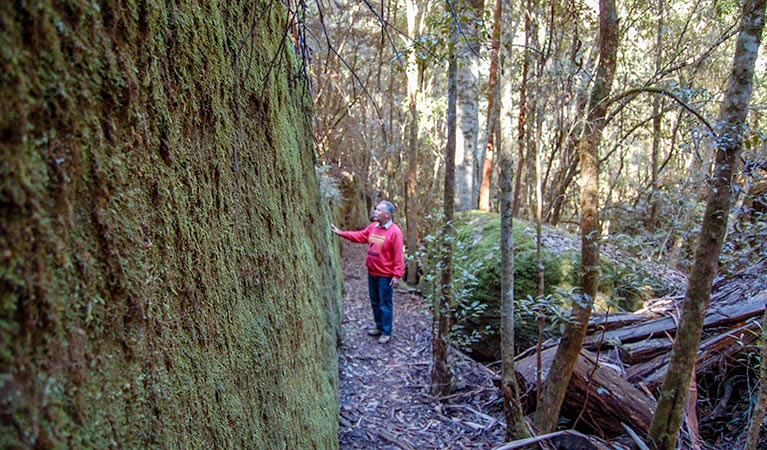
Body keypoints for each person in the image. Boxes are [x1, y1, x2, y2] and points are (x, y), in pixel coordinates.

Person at [331, 201, 405, 344]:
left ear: (387, 215)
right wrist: (341, 233)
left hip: (386, 275)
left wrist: (397, 276)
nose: (375, 212)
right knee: (375, 301)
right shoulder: (373, 227)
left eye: (378, 210)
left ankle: (386, 331)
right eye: (376, 209)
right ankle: (379, 326)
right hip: (372, 273)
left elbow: (398, 256)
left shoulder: (395, 232)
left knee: (385, 303)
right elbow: (360, 236)